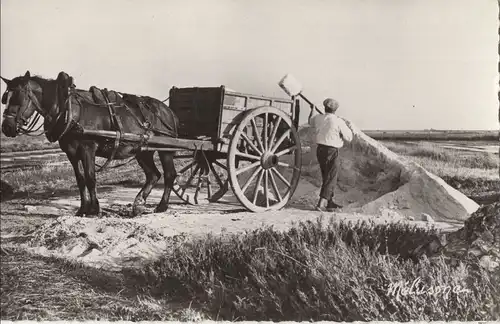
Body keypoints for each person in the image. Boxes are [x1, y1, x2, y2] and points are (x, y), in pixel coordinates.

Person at [308, 98, 353, 212]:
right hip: (332, 151)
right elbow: (349, 137)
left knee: (326, 176)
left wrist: (312, 110)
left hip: (320, 150)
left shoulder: (318, 118)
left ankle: (330, 203)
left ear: (325, 107)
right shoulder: (338, 121)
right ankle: (321, 203)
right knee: (331, 177)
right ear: (335, 110)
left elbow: (310, 121)